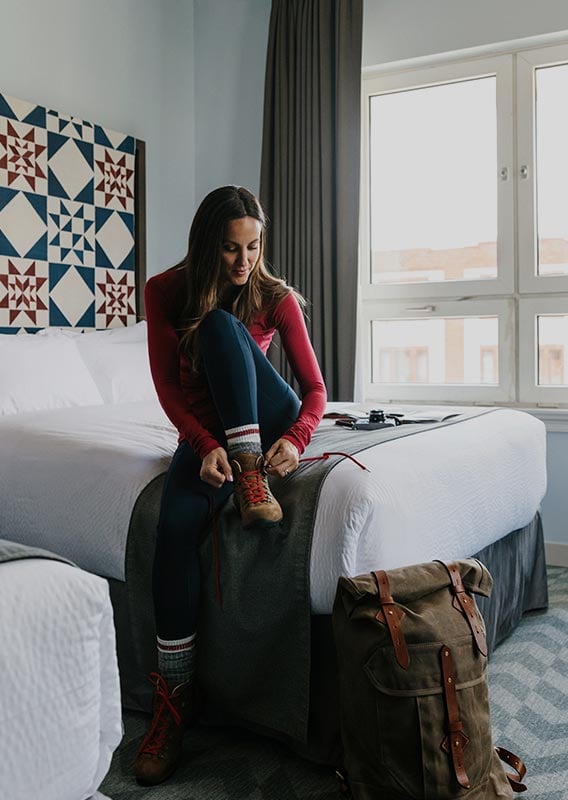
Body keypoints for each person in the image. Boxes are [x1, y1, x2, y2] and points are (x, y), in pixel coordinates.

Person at [134, 185, 327, 785]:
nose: (244, 263)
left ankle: (252, 473)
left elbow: (316, 392)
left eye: (254, 246)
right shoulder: (165, 291)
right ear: (204, 246)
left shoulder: (275, 296)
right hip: (210, 435)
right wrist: (204, 445)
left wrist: (294, 439)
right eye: (229, 249)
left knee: (220, 325)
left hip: (266, 418)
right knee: (174, 525)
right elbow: (169, 390)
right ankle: (176, 698)